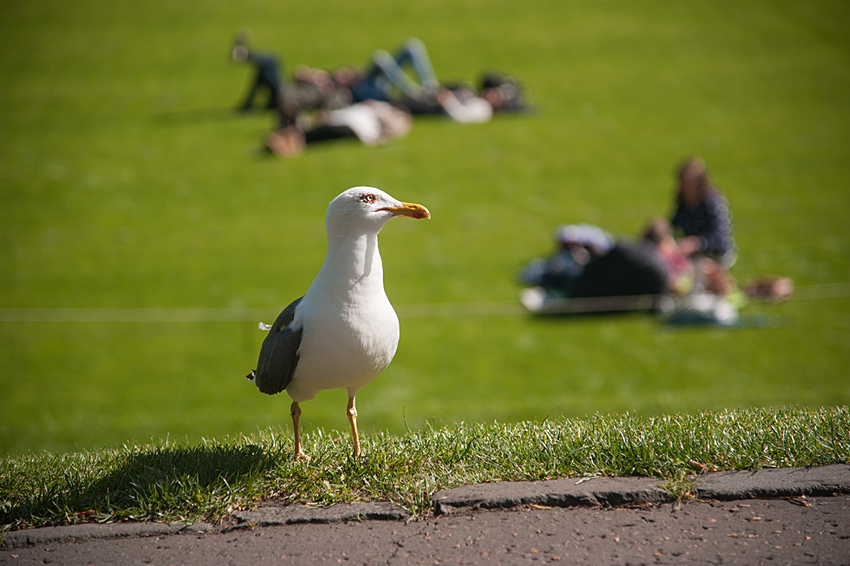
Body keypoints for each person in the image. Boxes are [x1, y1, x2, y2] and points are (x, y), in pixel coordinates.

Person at [669, 157, 738, 267]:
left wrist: (696, 244)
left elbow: (720, 239)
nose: (686, 188)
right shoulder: (684, 204)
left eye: (690, 184)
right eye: (684, 183)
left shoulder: (713, 203)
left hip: (714, 256)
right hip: (692, 255)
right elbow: (672, 225)